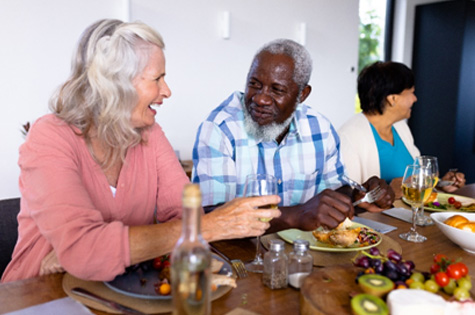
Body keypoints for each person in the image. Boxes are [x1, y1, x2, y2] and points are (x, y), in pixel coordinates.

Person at [1, 19, 281, 283]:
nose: (167, 90)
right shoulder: (49, 137)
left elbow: (183, 215)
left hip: (122, 286)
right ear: (115, 85)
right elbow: (84, 251)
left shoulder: (149, 133)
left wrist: (95, 250)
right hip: (39, 292)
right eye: (156, 78)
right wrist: (209, 226)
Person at [192, 39, 394, 234]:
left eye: (277, 90)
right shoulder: (219, 128)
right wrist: (296, 216)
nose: (260, 98)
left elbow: (335, 189)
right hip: (241, 256)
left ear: (302, 95)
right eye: (254, 84)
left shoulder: (319, 127)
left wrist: (356, 196)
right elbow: (212, 216)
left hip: (304, 253)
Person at [338, 61, 465, 198]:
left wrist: (442, 184)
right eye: (411, 92)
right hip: (378, 219)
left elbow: (415, 180)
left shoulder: (400, 127)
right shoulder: (349, 137)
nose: (415, 99)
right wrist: (389, 192)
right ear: (392, 99)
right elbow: (346, 200)